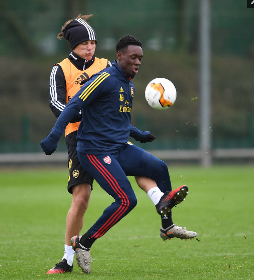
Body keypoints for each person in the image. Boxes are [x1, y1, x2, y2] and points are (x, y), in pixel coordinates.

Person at [41, 34, 197, 274]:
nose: (138, 62)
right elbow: (73, 106)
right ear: (119, 56)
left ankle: (167, 226)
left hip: (119, 147)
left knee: (159, 168)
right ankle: (84, 243)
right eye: (133, 57)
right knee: (126, 201)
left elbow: (116, 120)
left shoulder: (129, 86)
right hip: (94, 150)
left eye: (141, 58)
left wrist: (138, 134)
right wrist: (53, 136)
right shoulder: (103, 79)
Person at [47, 15, 159, 275]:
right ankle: (67, 259)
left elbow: (118, 97)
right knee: (82, 198)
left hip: (110, 135)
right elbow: (56, 104)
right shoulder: (61, 68)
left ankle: (161, 202)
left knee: (141, 166)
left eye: (93, 42)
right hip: (80, 138)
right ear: (73, 45)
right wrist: (80, 115)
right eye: (84, 43)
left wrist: (129, 129)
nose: (90, 47)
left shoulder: (106, 64)